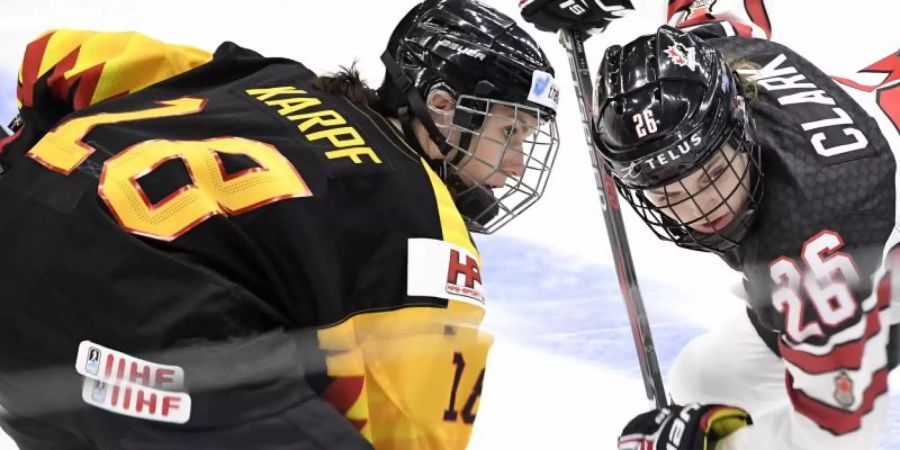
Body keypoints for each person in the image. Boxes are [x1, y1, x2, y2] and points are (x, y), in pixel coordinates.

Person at [0, 1, 560, 448]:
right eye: (508, 132)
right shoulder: (424, 216)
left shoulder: (266, 77)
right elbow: (413, 435)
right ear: (441, 106)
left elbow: (62, 57)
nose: (516, 160)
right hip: (144, 364)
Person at [521, 0, 898, 449]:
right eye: (671, 195)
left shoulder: (814, 242)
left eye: (715, 174)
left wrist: (716, 444)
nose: (704, 208)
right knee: (703, 381)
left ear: (739, 125)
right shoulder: (718, 65)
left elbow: (840, 434)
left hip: (874, 244)